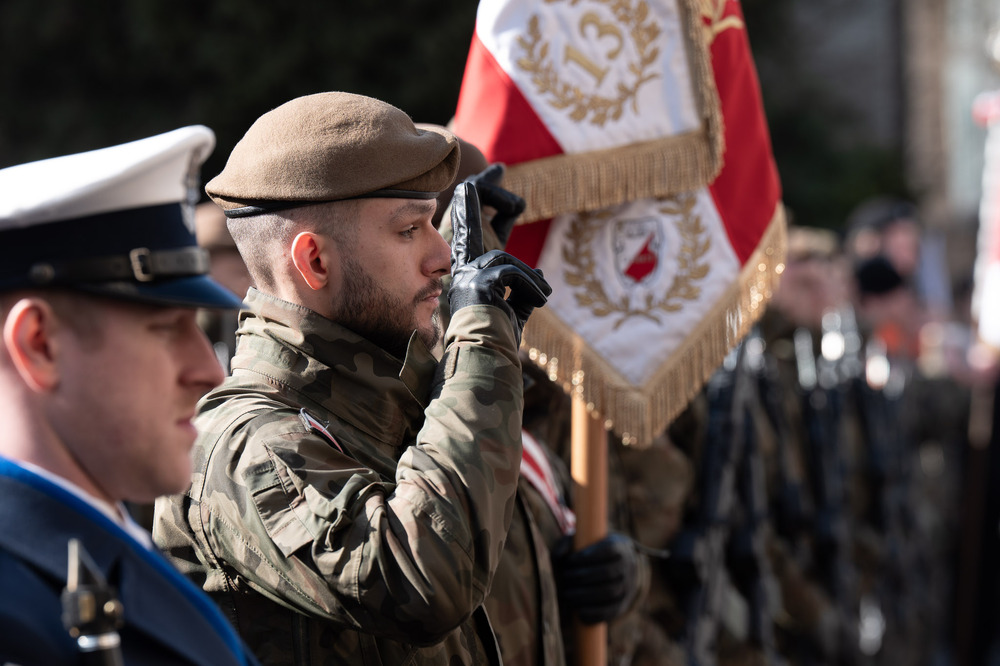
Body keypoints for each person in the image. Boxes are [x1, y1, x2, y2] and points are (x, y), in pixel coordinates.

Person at [152, 91, 551, 664]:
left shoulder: (389, 403)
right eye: (410, 229)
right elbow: (424, 581)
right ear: (314, 261)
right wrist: (479, 340)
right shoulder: (246, 446)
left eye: (435, 225)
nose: (443, 255)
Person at [0, 126, 257, 665]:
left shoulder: (95, 544)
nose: (209, 373)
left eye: (198, 326)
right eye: (166, 329)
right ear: (39, 344)